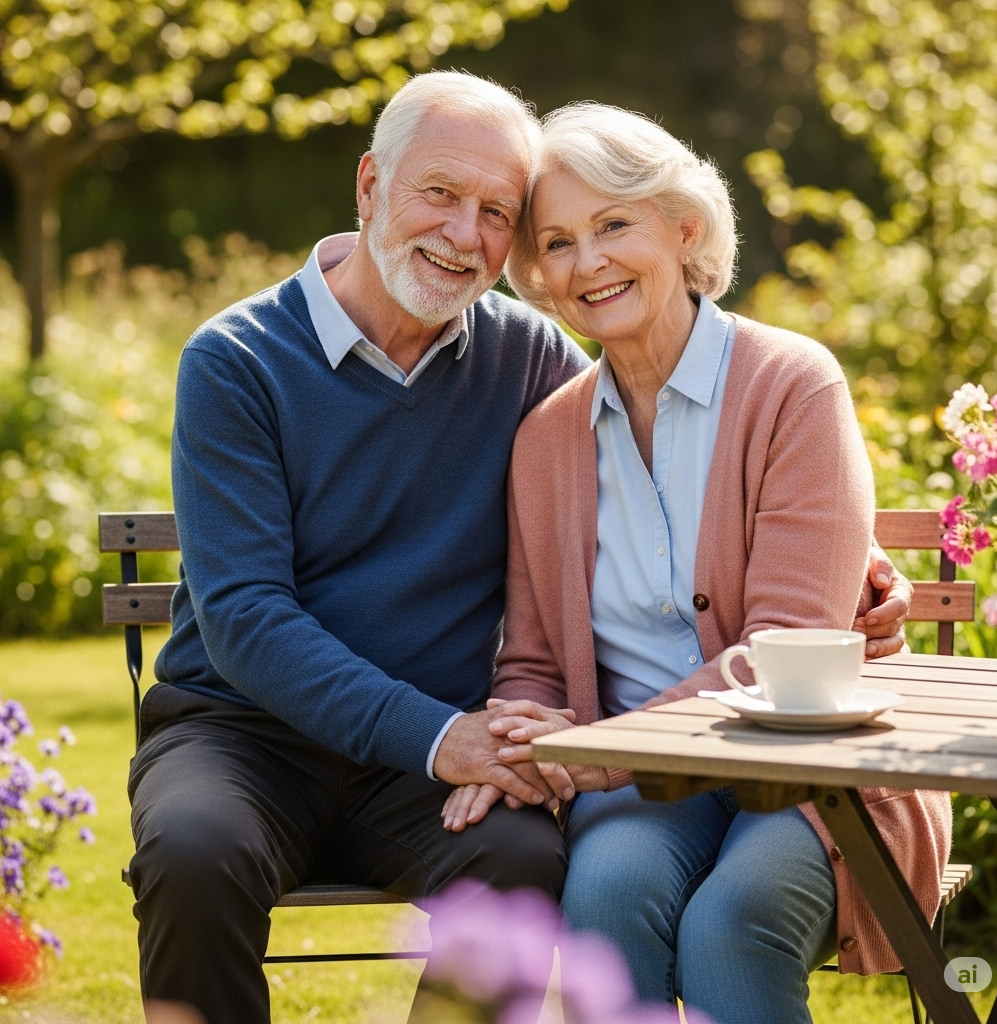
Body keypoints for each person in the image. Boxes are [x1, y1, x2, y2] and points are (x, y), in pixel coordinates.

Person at [129, 72, 911, 1024]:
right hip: (246, 733)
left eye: (497, 212)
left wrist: (857, 583)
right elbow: (246, 617)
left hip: (440, 757)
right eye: (441, 195)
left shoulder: (528, 363)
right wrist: (448, 736)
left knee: (520, 861)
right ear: (371, 186)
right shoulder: (236, 360)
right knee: (193, 854)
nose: (465, 234)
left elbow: (686, 459)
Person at [441, 103, 951, 1024]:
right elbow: (536, 659)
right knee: (603, 903)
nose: (587, 261)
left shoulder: (794, 385)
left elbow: (786, 649)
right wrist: (524, 733)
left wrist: (592, 755)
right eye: (556, 243)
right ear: (539, 281)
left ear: (682, 229)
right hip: (638, 787)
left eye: (613, 224)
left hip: (807, 770)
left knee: (733, 922)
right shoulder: (546, 440)